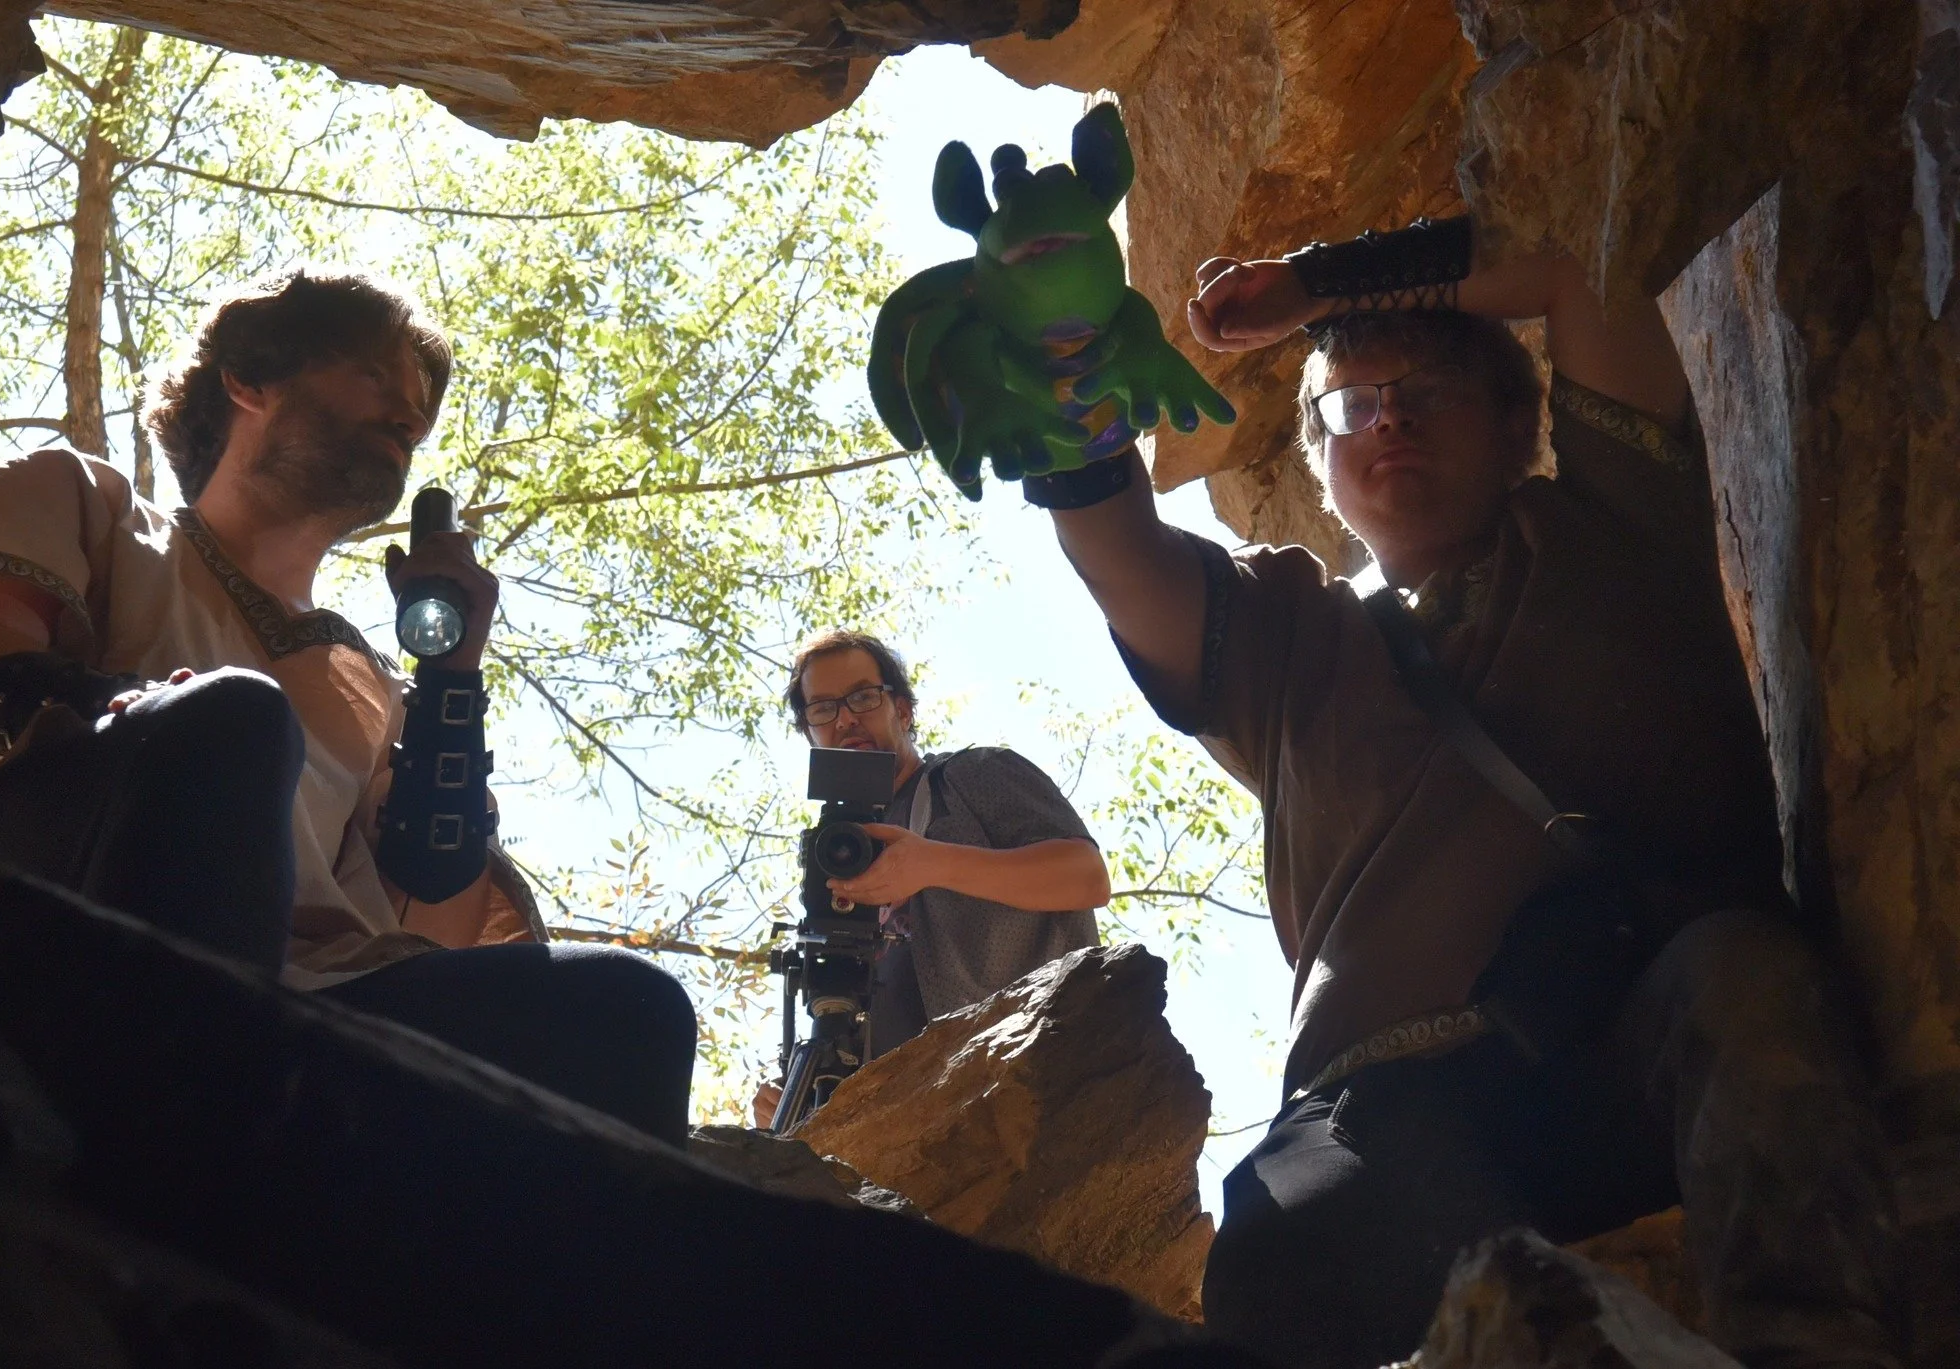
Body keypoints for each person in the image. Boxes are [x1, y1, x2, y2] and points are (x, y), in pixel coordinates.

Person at [1020, 216, 1903, 1367]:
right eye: (1347, 403)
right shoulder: (1288, 639)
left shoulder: (1614, 528)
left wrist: (1312, 284)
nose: (1384, 416)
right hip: (1383, 1094)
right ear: (1319, 468)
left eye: (1426, 387)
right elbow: (1118, 551)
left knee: (1746, 985)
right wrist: (1061, 373)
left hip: (1627, 1033)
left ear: (1515, 420)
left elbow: (1578, 242)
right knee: (1293, 1241)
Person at [0, 266, 696, 1145]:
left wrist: (451, 681)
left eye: (419, 412)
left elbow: (432, 924)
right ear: (248, 379)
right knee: (238, 721)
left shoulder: (374, 690)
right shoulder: (82, 501)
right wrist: (153, 722)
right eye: (376, 376)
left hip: (302, 1016)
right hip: (58, 928)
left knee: (631, 1011)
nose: (407, 415)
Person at [752, 630, 1108, 1125]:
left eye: (862, 696)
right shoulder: (835, 858)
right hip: (909, 1137)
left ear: (903, 710)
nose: (846, 718)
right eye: (822, 709)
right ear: (809, 733)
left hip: (1031, 1081)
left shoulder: (973, 775)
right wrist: (796, 1101)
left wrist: (932, 863)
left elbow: (1086, 877)